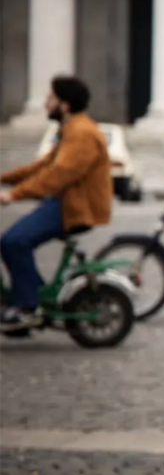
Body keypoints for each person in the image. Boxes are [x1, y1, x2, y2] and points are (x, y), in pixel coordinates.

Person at [0, 76, 113, 330]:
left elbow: (57, 175)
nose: (44, 103)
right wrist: (5, 179)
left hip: (73, 208)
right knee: (15, 240)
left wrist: (13, 195)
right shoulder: (71, 129)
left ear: (64, 105)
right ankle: (32, 295)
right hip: (62, 203)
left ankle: (28, 305)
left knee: (13, 241)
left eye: (50, 98)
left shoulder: (81, 133)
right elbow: (42, 166)